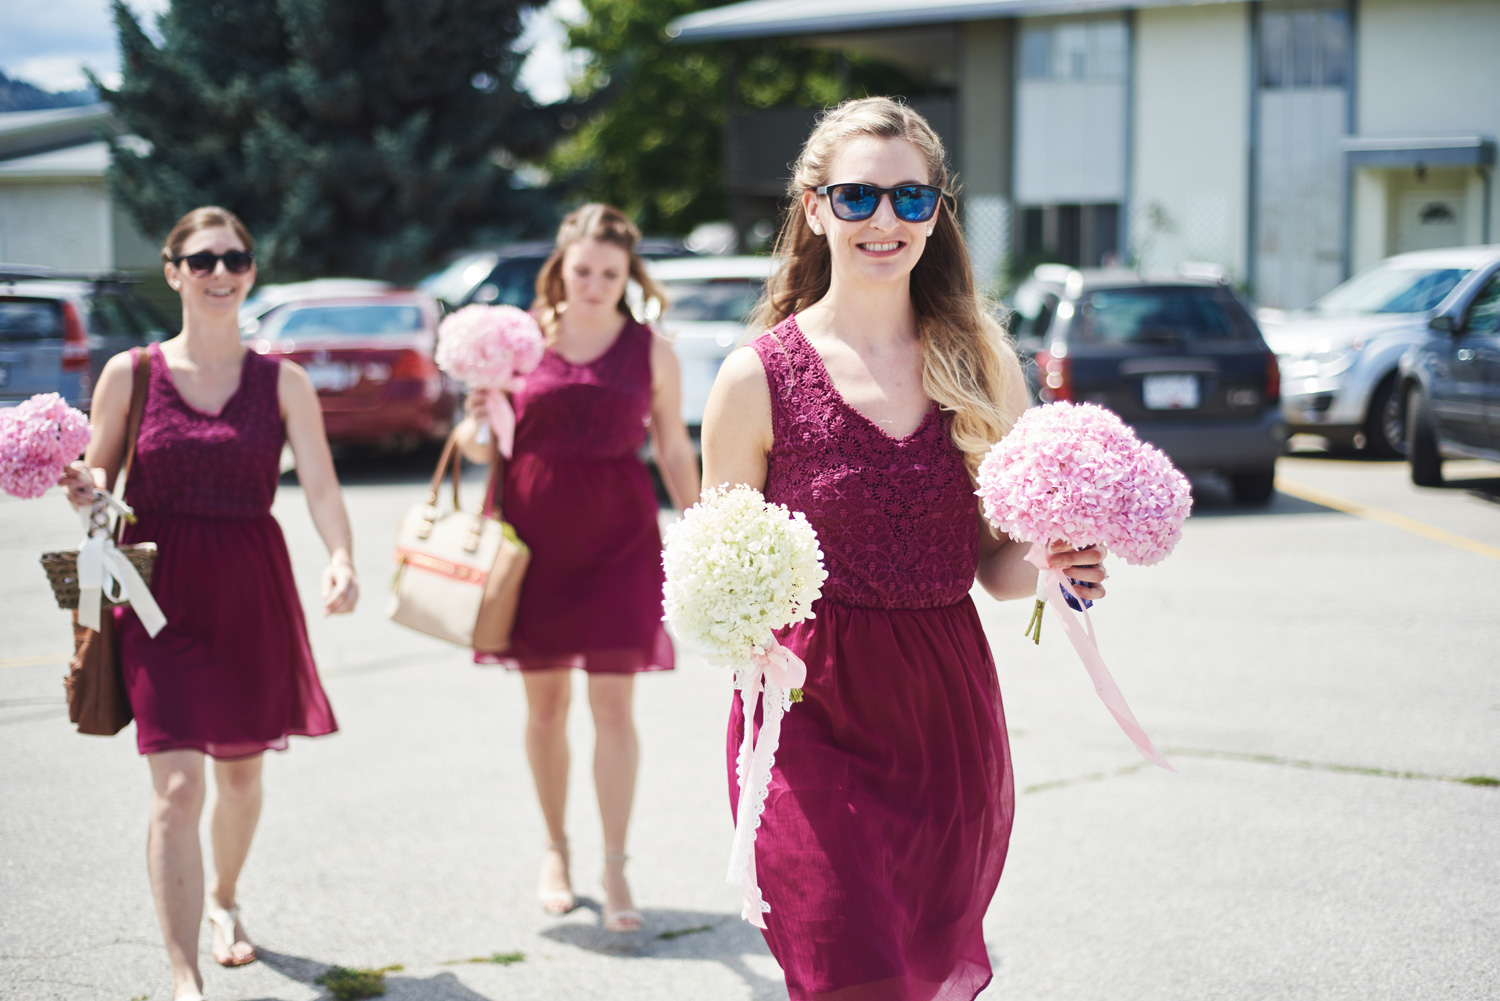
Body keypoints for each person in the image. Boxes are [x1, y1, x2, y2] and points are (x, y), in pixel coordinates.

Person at [700, 98, 1111, 1000]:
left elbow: (995, 568)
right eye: (857, 197)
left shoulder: (983, 366)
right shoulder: (754, 379)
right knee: (853, 965)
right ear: (814, 208)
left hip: (941, 708)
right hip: (806, 708)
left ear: (936, 212)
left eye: (910, 200)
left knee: (915, 969)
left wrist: (1052, 565)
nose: (884, 220)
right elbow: (713, 575)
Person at [59, 206, 357, 1001]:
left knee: (241, 777)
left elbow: (321, 484)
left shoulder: (281, 379)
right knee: (179, 785)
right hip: (156, 595)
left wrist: (341, 557)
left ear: (251, 271)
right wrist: (79, 488)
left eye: (234, 258)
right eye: (202, 260)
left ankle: (224, 896)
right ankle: (183, 971)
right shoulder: (132, 373)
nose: (220, 272)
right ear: (173, 271)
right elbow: (96, 494)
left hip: (251, 592)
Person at [457, 203, 700, 932]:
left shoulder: (651, 348)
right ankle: (556, 849)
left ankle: (617, 867)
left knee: (615, 707)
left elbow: (673, 449)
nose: (594, 283)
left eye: (610, 272)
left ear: (630, 276)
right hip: (533, 542)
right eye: (582, 269)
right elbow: (478, 448)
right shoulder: (519, 341)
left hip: (621, 540)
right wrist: (476, 411)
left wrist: (703, 527)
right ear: (560, 266)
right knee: (545, 707)